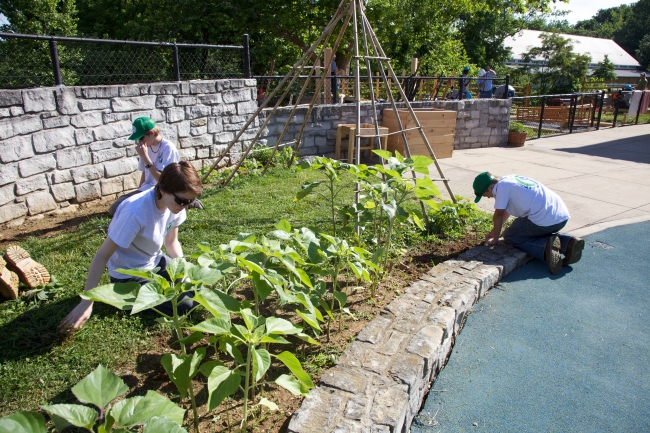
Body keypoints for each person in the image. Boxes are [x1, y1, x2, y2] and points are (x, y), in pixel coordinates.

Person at [58, 162, 203, 332]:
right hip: (129, 273)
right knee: (185, 304)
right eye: (182, 201)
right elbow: (102, 255)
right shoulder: (134, 212)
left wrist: (183, 272)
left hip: (154, 261)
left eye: (190, 201)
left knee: (197, 289)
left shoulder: (176, 206)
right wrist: (86, 302)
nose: (185, 207)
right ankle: (129, 297)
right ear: (163, 190)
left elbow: (171, 242)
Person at [473, 172, 584, 275]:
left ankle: (545, 247)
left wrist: (495, 240)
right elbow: (505, 212)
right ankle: (568, 242)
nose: (488, 197)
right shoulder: (510, 179)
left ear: (491, 187)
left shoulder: (500, 188)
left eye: (485, 194)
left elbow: (498, 215)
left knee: (510, 235)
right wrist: (493, 233)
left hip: (545, 220)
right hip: (561, 218)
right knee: (527, 230)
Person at [108, 117, 202, 216]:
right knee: (117, 206)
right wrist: (139, 192)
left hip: (162, 191)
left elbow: (164, 181)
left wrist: (145, 157)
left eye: (141, 138)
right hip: (147, 190)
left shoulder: (168, 148)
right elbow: (144, 173)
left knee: (117, 208)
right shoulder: (146, 148)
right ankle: (185, 200)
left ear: (151, 133)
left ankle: (185, 200)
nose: (139, 142)